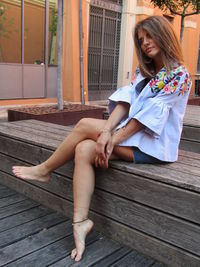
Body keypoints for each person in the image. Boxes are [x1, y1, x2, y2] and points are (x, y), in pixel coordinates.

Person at [12, 16, 192, 262]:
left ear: (163, 34)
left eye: (150, 36)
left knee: (84, 124)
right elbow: (125, 103)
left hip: (155, 145)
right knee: (85, 149)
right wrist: (107, 131)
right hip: (136, 138)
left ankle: (44, 170)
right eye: (141, 40)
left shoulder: (179, 74)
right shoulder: (146, 71)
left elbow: (146, 119)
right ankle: (80, 223)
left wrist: (112, 140)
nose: (146, 43)